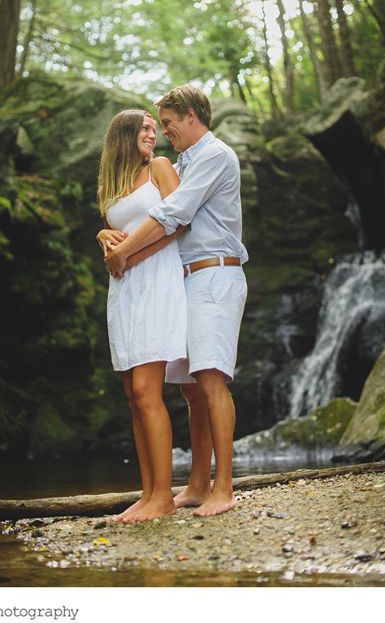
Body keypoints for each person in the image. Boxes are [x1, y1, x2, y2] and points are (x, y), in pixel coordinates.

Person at [104, 85, 248, 517]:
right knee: (189, 387)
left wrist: (124, 252)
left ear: (191, 116)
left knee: (210, 378)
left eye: (167, 123)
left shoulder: (216, 155)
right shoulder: (182, 160)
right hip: (183, 280)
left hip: (215, 272)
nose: (164, 132)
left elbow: (174, 214)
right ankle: (199, 484)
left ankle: (224, 488)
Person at [95, 109, 188, 523]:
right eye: (145, 128)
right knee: (132, 395)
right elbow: (113, 231)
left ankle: (164, 496)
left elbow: (178, 226)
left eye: (155, 127)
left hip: (156, 280)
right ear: (124, 136)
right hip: (123, 291)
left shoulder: (161, 168)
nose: (153, 133)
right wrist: (102, 235)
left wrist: (127, 255)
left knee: (149, 391)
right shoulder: (112, 183)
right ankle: (148, 492)